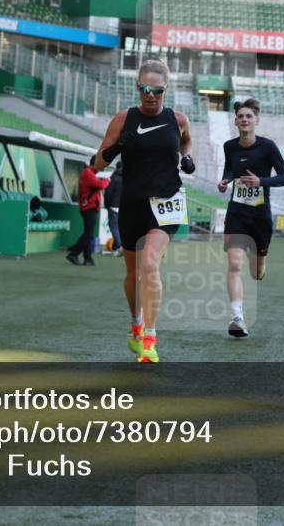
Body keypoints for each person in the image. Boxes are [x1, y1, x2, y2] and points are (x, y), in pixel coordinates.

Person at [95, 59, 194, 363]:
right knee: (133, 273)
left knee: (150, 264)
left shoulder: (177, 119)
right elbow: (98, 164)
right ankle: (136, 326)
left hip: (167, 201)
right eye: (144, 89)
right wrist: (117, 147)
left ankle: (150, 336)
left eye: (157, 90)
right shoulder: (124, 118)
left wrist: (186, 158)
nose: (151, 95)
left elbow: (186, 141)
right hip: (133, 201)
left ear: (167, 89)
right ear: (137, 87)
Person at [217, 98, 284, 338]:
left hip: (260, 214)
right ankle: (237, 317)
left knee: (256, 273)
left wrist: (262, 182)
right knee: (234, 263)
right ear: (235, 120)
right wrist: (225, 179)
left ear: (256, 121)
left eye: (249, 116)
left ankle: (260, 258)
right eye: (241, 116)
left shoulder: (267, 147)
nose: (245, 119)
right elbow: (230, 168)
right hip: (237, 211)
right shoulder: (229, 146)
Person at [66, 155, 110, 266]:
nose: (102, 167)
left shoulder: (89, 173)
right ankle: (74, 253)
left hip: (90, 207)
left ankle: (87, 258)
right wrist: (106, 180)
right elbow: (100, 185)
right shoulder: (88, 173)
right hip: (89, 207)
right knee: (88, 234)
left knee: (88, 233)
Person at [103, 162, 124, 256]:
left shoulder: (113, 177)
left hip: (113, 206)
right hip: (123, 207)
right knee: (120, 228)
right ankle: (116, 248)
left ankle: (120, 246)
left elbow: (108, 193)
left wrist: (107, 205)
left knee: (114, 228)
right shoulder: (127, 177)